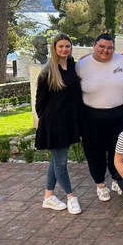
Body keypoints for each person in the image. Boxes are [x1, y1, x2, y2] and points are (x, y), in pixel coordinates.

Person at [76, 33, 123, 202]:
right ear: (94, 45)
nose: (105, 51)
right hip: (93, 116)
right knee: (95, 150)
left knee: (118, 149)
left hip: (120, 113)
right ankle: (100, 184)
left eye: (109, 47)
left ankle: (116, 179)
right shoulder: (81, 65)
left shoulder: (122, 60)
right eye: (101, 46)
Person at [35, 33, 83, 215]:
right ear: (54, 48)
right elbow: (39, 103)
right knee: (61, 163)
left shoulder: (72, 66)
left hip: (68, 121)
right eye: (60, 46)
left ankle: (48, 197)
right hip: (54, 123)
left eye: (67, 46)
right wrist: (47, 124)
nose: (64, 49)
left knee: (55, 161)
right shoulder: (48, 72)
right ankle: (71, 197)